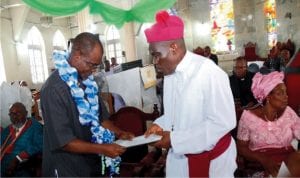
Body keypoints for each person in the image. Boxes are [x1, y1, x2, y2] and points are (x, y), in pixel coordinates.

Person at [144, 11, 237, 177]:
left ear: (174, 47)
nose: (155, 62)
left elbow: (222, 123)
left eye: (156, 55)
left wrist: (175, 140)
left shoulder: (208, 72)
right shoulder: (170, 73)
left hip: (213, 163)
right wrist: (161, 124)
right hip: (180, 159)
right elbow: (178, 115)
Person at [40, 32, 133, 177]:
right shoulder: (54, 90)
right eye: (91, 64)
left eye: (95, 66)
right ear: (77, 55)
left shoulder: (88, 82)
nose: (92, 70)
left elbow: (101, 119)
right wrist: (103, 149)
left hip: (89, 163)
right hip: (66, 167)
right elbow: (65, 142)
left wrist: (119, 133)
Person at [236, 71, 300, 177]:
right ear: (268, 97)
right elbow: (241, 148)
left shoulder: (288, 112)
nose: (286, 96)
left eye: (285, 92)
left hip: (289, 162)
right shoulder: (248, 117)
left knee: (297, 157)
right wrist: (263, 159)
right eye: (280, 93)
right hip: (261, 165)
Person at [1, 102, 43, 177]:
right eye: (12, 114)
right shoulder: (8, 129)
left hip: (22, 167)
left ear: (26, 113)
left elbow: (39, 145)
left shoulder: (35, 127)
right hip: (3, 166)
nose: (14, 117)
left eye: (18, 113)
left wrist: (18, 158)